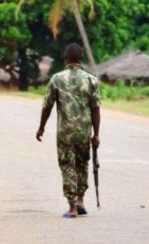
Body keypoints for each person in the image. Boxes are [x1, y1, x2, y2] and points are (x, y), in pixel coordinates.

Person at [36, 43, 101, 218]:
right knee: (82, 164)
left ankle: (72, 207)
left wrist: (41, 127)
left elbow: (47, 106)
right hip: (83, 131)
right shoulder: (91, 80)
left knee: (67, 166)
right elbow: (95, 109)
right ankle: (80, 201)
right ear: (81, 58)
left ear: (66, 58)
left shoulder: (57, 79)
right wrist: (96, 134)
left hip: (65, 132)